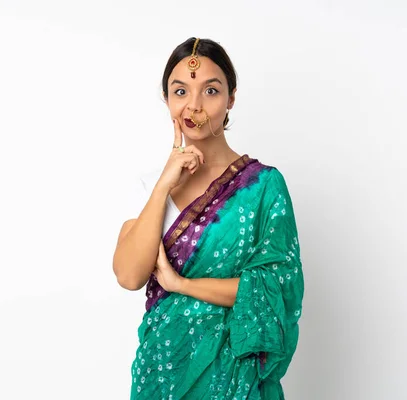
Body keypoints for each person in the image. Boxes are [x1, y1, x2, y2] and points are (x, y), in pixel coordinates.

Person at [112, 37, 304, 400]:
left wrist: (181, 284)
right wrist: (164, 186)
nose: (194, 106)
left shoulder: (263, 187)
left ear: (231, 98)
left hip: (234, 380)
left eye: (211, 91)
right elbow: (128, 274)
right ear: (167, 99)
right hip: (163, 371)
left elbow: (276, 290)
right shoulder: (150, 185)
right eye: (180, 90)